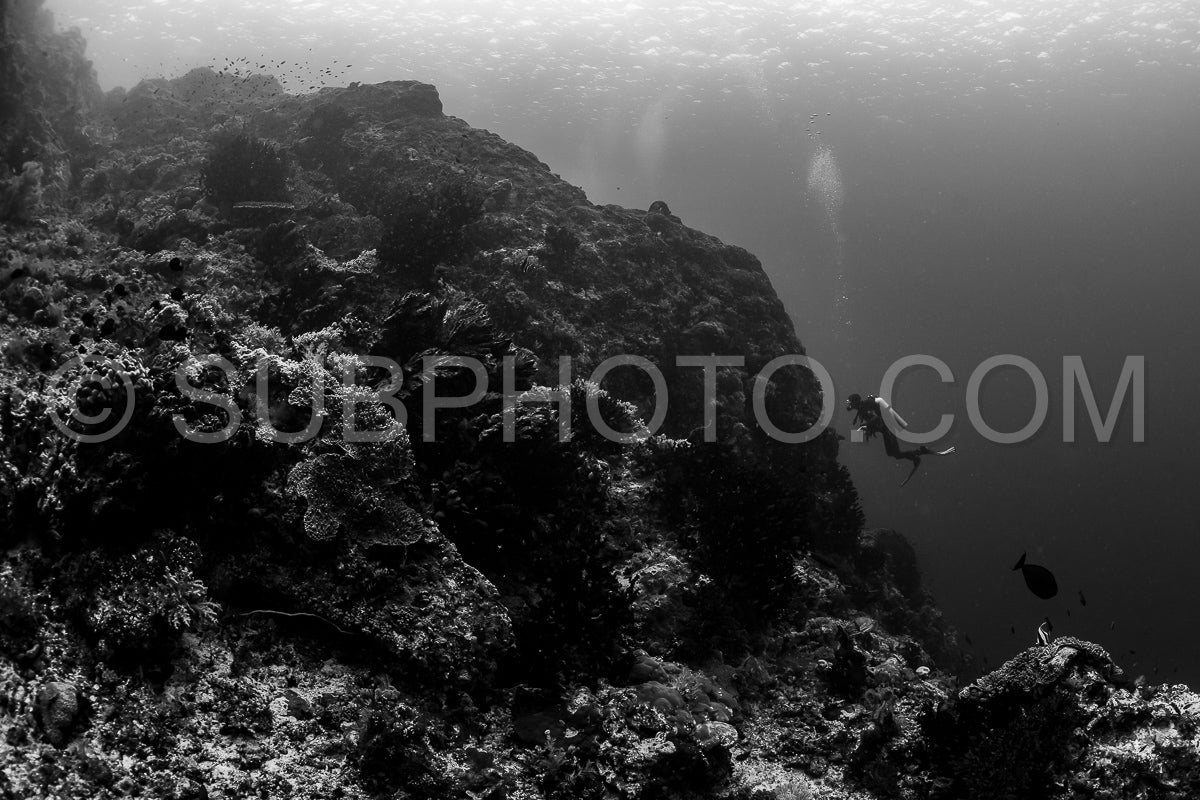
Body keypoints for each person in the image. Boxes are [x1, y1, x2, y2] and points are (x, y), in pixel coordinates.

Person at [845, 393, 955, 486]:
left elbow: (876, 419)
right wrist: (866, 428)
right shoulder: (862, 408)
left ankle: (921, 453)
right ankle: (918, 455)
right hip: (886, 428)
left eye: (849, 402)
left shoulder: (864, 407)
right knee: (893, 453)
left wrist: (866, 427)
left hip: (887, 427)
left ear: (854, 402)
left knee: (895, 453)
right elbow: (875, 420)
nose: (848, 404)